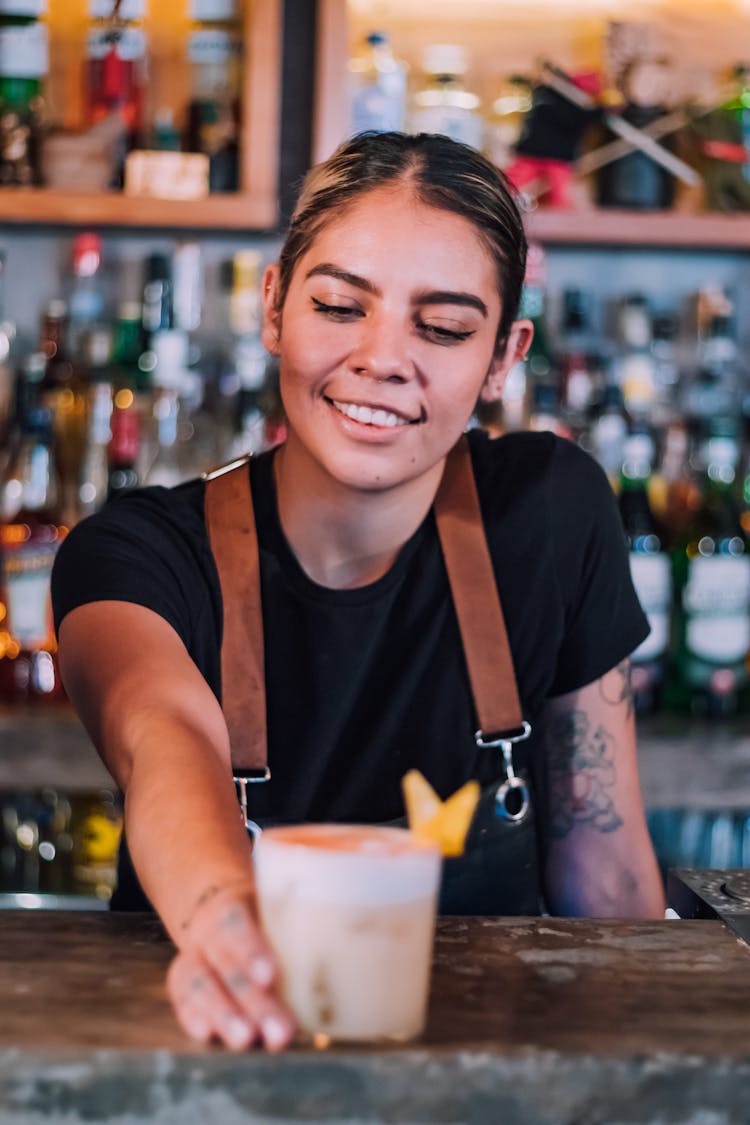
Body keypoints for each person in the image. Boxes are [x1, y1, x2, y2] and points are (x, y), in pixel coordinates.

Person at [52, 131, 665, 1054]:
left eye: (446, 328)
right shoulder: (137, 556)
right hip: (207, 1067)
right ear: (272, 306)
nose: (382, 358)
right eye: (340, 305)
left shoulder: (551, 513)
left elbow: (608, 881)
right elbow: (163, 737)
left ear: (503, 359)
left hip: (486, 1091)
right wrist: (227, 919)